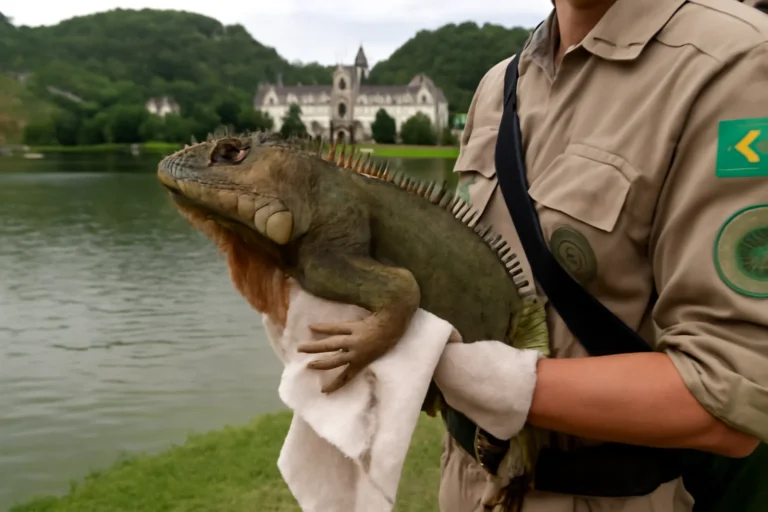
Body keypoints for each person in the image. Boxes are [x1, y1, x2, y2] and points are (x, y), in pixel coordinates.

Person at [434, 0, 768, 510]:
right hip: (463, 483)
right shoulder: (498, 86)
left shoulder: (735, 62)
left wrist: (486, 380)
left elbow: (726, 395)